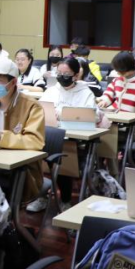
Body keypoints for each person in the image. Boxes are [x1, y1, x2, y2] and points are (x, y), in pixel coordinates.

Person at [0, 56, 46, 211]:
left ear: (13, 83)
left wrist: (0, 137)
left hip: (18, 170)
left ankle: (2, 220)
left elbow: (35, 141)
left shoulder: (32, 106)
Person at [40, 57, 99, 210]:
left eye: (66, 74)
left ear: (75, 75)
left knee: (64, 155)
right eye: (59, 73)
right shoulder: (51, 90)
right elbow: (40, 110)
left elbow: (94, 115)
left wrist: (62, 113)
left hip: (73, 139)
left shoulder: (85, 93)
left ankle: (65, 200)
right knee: (34, 155)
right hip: (50, 134)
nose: (62, 77)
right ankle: (40, 196)